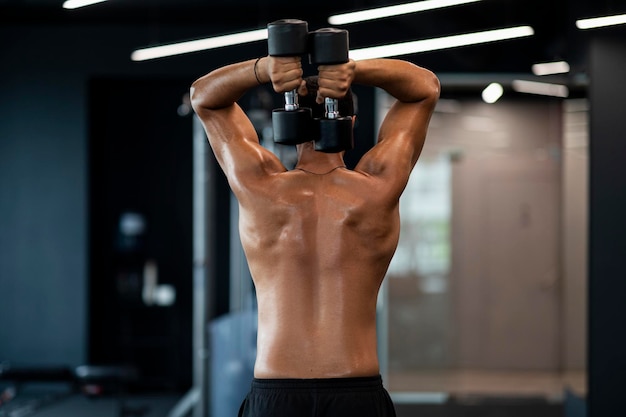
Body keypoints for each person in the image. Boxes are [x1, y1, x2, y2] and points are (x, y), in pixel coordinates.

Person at [190, 52, 440, 416]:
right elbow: (425, 88)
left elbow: (203, 96)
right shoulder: (379, 187)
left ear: (287, 124)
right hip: (356, 392)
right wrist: (352, 69)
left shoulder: (259, 187)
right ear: (351, 120)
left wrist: (264, 68)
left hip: (276, 394)